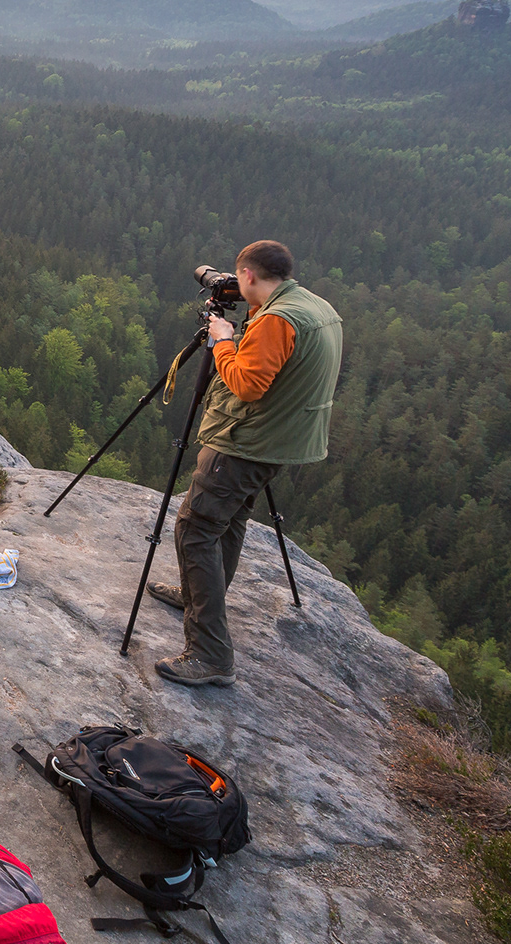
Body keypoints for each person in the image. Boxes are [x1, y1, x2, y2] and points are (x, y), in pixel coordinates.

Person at [150, 241, 344, 688]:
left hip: (246, 443)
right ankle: (199, 596)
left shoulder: (277, 320)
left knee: (196, 529)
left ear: (249, 276)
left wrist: (223, 341)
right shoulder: (314, 307)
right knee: (228, 522)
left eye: (238, 280)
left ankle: (210, 654)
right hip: (281, 441)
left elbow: (247, 385)